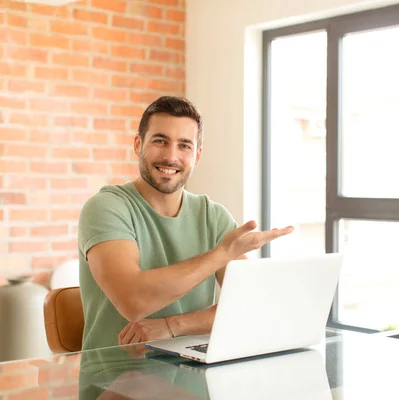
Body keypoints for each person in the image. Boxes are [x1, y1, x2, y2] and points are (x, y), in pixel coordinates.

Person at [78, 96, 293, 351]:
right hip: (115, 380)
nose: (171, 156)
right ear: (138, 145)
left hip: (193, 375)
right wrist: (223, 254)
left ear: (197, 155)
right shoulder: (106, 208)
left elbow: (250, 305)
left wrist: (174, 325)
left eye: (184, 146)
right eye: (160, 141)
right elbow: (133, 301)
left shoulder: (212, 216)